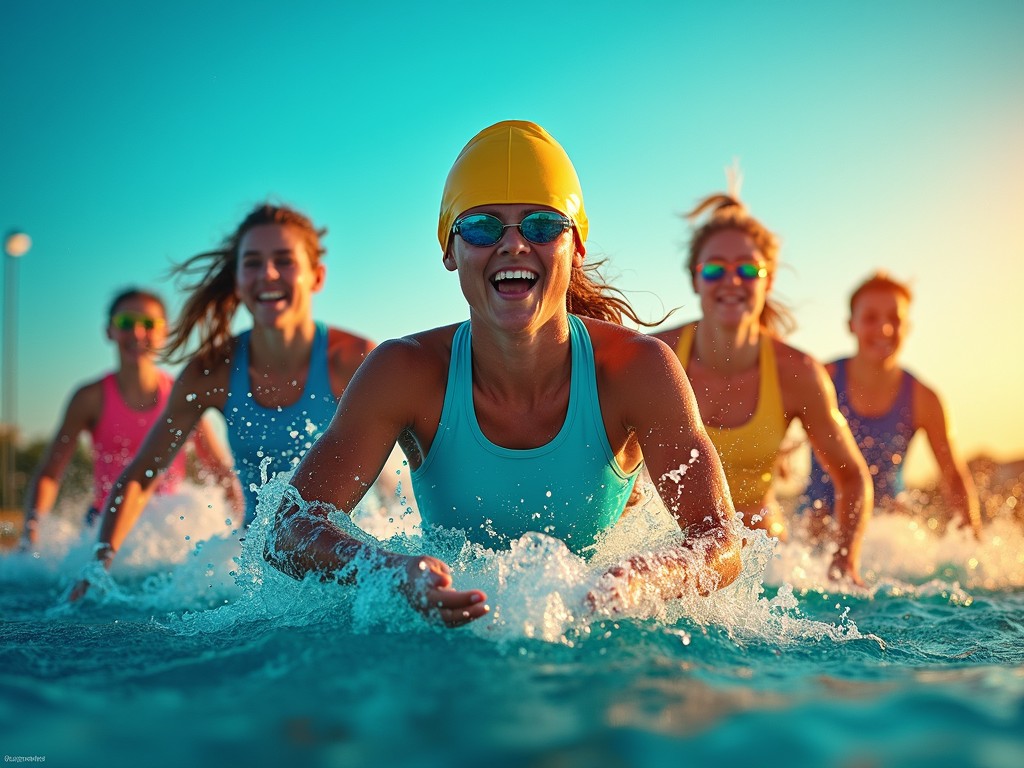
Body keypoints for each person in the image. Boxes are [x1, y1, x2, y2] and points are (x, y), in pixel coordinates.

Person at [263, 120, 742, 628]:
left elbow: (720, 540)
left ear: (575, 245)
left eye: (540, 225)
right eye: (483, 227)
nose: (513, 245)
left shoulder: (635, 370)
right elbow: (287, 528)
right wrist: (386, 571)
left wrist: (645, 578)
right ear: (450, 250)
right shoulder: (404, 371)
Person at [70, 204, 375, 600]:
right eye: (252, 263)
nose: (267, 274)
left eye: (284, 261)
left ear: (316, 276)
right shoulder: (211, 371)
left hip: (352, 557)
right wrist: (98, 565)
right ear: (237, 280)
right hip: (253, 569)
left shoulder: (355, 360)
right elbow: (142, 475)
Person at [651, 193, 872, 583]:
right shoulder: (656, 358)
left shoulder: (798, 374)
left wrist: (844, 561)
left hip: (763, 563)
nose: (732, 280)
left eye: (748, 270)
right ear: (694, 279)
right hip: (671, 550)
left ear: (768, 280)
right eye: (715, 269)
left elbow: (852, 477)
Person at [21, 288, 237, 549]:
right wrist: (29, 537)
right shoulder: (90, 398)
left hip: (166, 530)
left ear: (164, 332)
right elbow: (49, 474)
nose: (136, 333)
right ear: (109, 331)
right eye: (126, 323)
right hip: (103, 525)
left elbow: (221, 472)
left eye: (148, 324)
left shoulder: (182, 395)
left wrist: (239, 531)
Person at [801, 272, 981, 536]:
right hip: (814, 533)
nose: (884, 329)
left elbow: (952, 476)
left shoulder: (924, 399)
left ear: (907, 327)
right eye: (871, 318)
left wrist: (973, 541)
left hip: (886, 540)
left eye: (895, 320)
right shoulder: (822, 379)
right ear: (851, 324)